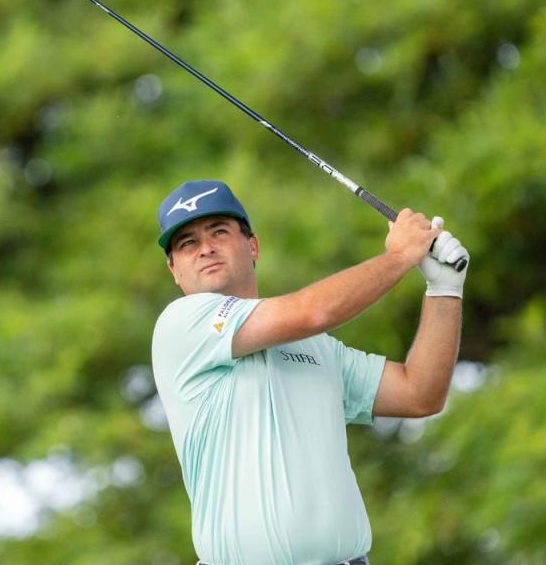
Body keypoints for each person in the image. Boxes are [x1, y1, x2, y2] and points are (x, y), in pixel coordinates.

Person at [151, 180, 469, 565]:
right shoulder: (181, 325)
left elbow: (419, 393)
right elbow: (313, 313)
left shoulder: (317, 347)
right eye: (187, 243)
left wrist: (444, 290)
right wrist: (401, 256)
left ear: (253, 246)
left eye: (219, 231)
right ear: (174, 269)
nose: (206, 248)